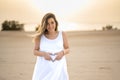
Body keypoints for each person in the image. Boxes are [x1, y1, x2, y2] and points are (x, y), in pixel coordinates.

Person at [32, 13, 70, 80]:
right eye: (47, 24)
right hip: (43, 70)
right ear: (44, 25)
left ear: (56, 22)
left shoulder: (62, 34)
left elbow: (67, 49)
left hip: (59, 70)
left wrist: (62, 53)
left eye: (52, 22)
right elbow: (35, 51)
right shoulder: (39, 37)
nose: (50, 26)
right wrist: (43, 54)